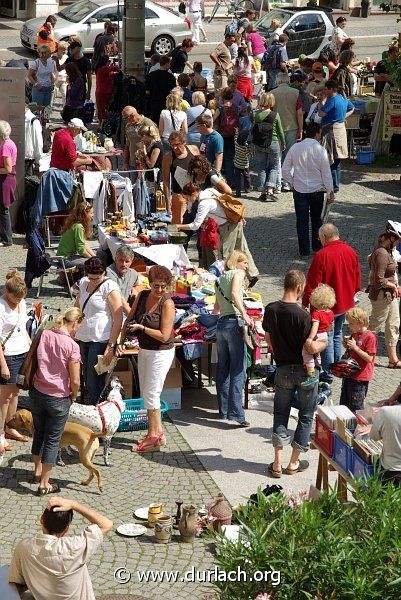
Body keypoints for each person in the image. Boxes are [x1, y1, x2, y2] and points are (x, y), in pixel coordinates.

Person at [263, 270, 328, 478]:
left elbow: (268, 339)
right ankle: (293, 462)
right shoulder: (304, 317)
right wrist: (324, 343)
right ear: (300, 287)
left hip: (282, 369)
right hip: (305, 371)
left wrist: (278, 352)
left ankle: (277, 463)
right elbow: (310, 347)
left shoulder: (271, 309)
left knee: (280, 413)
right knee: (306, 415)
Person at [8, 495, 113, 599]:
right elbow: (106, 524)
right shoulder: (74, 547)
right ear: (66, 528)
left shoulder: (23, 547)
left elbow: (16, 582)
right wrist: (74, 504)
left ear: (41, 520)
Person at [118, 266, 175, 452]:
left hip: (161, 352)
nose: (159, 290)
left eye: (163, 287)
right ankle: (158, 433)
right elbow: (130, 318)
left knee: (152, 394)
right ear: (149, 283)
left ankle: (153, 437)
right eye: (156, 286)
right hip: (144, 349)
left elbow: (165, 335)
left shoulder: (167, 304)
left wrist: (142, 329)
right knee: (147, 394)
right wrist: (120, 339)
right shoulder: (142, 296)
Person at [29, 307, 83, 495]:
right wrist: (73, 395)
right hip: (59, 397)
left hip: (37, 392)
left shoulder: (45, 334)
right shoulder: (72, 346)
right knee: (52, 440)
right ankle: (45, 483)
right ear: (76, 323)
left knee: (39, 433)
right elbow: (75, 380)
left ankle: (36, 471)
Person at [302, 223, 362, 383]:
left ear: (324, 237)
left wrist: (305, 302)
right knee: (337, 334)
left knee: (325, 337)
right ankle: (338, 367)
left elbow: (312, 283)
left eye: (319, 238)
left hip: (325, 307)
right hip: (345, 304)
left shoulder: (322, 255)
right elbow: (357, 281)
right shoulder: (351, 251)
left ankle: (328, 372)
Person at [179, 182, 259, 284]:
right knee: (243, 249)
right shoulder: (209, 191)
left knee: (226, 255)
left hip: (228, 226)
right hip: (235, 221)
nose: (187, 200)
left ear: (193, 194)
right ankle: (253, 274)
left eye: (187, 198)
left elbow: (195, 225)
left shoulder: (203, 204)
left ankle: (228, 281)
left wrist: (178, 226)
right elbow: (225, 204)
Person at [75, 257, 123, 405]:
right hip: (83, 336)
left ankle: (95, 409)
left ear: (104, 273)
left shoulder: (110, 287)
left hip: (100, 339)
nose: (94, 281)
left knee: (93, 379)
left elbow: (118, 319)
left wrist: (111, 345)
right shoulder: (83, 283)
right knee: (85, 376)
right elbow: (76, 307)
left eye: (97, 278)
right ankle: (92, 405)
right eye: (91, 278)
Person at [282, 122, 334, 259]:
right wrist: (330, 191)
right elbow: (326, 173)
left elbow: (285, 170)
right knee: (316, 220)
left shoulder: (295, 148)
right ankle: (317, 247)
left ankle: (304, 251)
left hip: (299, 190)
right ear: (317, 133)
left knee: (301, 221)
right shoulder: (320, 150)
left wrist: (292, 182)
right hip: (317, 190)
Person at [214, 251, 253, 427]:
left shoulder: (219, 279)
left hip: (221, 325)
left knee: (223, 368)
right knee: (238, 369)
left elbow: (216, 307)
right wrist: (244, 313)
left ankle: (223, 410)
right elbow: (236, 294)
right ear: (237, 263)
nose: (247, 267)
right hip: (234, 323)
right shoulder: (238, 274)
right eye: (245, 263)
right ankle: (236, 413)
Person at [0, 271, 30, 456]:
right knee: (4, 397)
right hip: (8, 355)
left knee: (16, 392)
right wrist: (3, 365)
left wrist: (31, 346)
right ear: (7, 291)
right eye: (15, 297)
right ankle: (0, 432)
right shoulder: (1, 308)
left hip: (22, 352)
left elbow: (23, 327)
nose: (18, 301)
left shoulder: (22, 302)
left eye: (21, 297)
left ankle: (10, 426)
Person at [367, 222, 401, 368]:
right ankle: (364, 354)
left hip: (389, 295)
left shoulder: (387, 250)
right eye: (399, 239)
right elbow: (379, 279)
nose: (400, 243)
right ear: (392, 237)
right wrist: (393, 285)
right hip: (382, 295)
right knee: (375, 325)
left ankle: (393, 359)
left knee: (393, 325)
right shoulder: (381, 253)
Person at [319, 79, 354, 192]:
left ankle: (333, 185)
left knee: (331, 158)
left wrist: (321, 102)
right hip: (340, 129)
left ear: (330, 89)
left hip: (331, 130)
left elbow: (321, 113)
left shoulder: (332, 100)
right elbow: (352, 108)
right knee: (336, 159)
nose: (324, 91)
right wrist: (344, 117)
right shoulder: (342, 98)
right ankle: (335, 184)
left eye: (326, 89)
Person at [340, 307, 377, 412]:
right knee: (344, 403)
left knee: (356, 406)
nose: (349, 326)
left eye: (351, 323)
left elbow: (370, 358)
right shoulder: (355, 334)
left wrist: (356, 348)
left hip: (360, 377)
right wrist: (347, 345)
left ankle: (356, 426)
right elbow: (352, 351)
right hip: (349, 374)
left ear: (360, 323)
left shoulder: (370, 337)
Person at [271, 73, 303, 192]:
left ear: (278, 81)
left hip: (276, 128)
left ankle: (277, 183)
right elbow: (299, 113)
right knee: (290, 157)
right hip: (292, 126)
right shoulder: (295, 93)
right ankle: (287, 183)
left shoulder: (272, 93)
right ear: (288, 81)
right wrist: (301, 129)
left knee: (277, 157)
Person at [253, 91, 285, 201]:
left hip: (260, 143)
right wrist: (283, 143)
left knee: (261, 166)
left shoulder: (257, 115)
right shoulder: (275, 115)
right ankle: (270, 190)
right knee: (274, 166)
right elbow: (280, 131)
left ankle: (262, 189)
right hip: (273, 143)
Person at [302, 284, 335, 386]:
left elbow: (315, 327)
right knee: (318, 352)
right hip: (325, 335)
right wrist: (326, 332)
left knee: (306, 353)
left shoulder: (316, 313)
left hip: (317, 336)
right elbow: (331, 325)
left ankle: (311, 373)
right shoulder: (330, 312)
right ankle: (318, 366)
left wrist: (310, 338)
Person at [162, 131, 199, 220]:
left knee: (195, 222)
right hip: (179, 195)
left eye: (178, 144)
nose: (175, 147)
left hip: (195, 193)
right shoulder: (168, 157)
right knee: (177, 224)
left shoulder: (193, 150)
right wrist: (168, 201)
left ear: (184, 142)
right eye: (172, 145)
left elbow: (201, 169)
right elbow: (166, 180)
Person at [106, 245, 143, 316]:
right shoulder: (108, 273)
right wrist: (131, 316)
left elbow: (138, 285)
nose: (124, 264)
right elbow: (119, 298)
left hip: (123, 311)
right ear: (115, 259)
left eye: (127, 261)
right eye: (121, 260)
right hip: (109, 312)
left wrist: (134, 289)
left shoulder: (133, 273)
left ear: (131, 262)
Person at [122, 106, 157, 170]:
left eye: (125, 119)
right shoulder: (128, 126)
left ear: (132, 116)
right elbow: (127, 144)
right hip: (133, 163)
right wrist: (126, 162)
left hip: (145, 163)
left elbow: (156, 141)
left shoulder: (147, 122)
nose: (125, 121)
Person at [0, 120, 17, 247]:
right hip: (7, 178)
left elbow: (8, 168)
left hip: (5, 178)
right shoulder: (10, 143)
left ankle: (7, 239)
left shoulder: (5, 146)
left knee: (3, 209)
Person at [145, 56, 177, 124]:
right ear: (167, 64)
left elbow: (147, 91)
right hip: (165, 104)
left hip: (153, 104)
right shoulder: (171, 77)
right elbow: (173, 92)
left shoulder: (151, 75)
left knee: (154, 123)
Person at [95, 55, 119, 125]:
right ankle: (102, 124)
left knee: (102, 110)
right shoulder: (103, 69)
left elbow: (110, 74)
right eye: (108, 61)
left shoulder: (100, 69)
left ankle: (102, 124)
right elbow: (115, 68)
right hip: (104, 93)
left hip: (102, 92)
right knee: (103, 110)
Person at [24, 104, 43, 176]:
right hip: (18, 157)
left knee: (27, 183)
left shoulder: (33, 121)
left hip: (28, 159)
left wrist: (38, 160)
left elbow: (38, 142)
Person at [233, 129, 251, 197]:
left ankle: (238, 192)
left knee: (237, 178)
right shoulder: (245, 148)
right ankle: (247, 188)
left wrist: (237, 132)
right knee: (246, 176)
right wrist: (253, 150)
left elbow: (235, 138)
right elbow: (250, 155)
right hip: (245, 165)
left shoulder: (236, 144)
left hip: (237, 164)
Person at [52, 41, 69, 106]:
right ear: (59, 49)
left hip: (63, 80)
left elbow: (67, 68)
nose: (65, 51)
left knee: (65, 95)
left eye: (66, 49)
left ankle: (65, 110)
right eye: (63, 50)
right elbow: (52, 69)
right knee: (52, 97)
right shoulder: (53, 56)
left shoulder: (66, 57)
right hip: (54, 80)